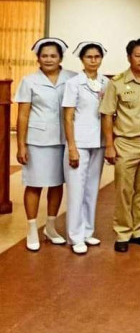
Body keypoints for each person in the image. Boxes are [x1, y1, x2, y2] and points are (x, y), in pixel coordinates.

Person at [14, 38, 77, 251]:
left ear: (60, 58)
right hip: (37, 141)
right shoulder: (29, 81)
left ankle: (50, 227)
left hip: (64, 140)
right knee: (34, 183)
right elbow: (23, 115)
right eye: (44, 56)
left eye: (53, 56)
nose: (49, 59)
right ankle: (32, 229)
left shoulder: (72, 78)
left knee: (57, 184)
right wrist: (21, 145)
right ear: (38, 58)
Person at [99, 38, 140, 253]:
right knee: (124, 190)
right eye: (137, 56)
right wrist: (109, 145)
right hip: (125, 143)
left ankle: (139, 231)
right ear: (129, 57)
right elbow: (107, 114)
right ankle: (123, 232)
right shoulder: (116, 83)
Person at [61, 42, 109, 255]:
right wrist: (72, 146)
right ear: (82, 59)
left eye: (97, 56)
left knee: (91, 189)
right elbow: (68, 117)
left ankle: (88, 231)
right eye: (89, 57)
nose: (93, 60)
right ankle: (75, 236)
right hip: (79, 143)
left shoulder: (106, 82)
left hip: (98, 142)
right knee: (76, 190)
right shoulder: (73, 83)